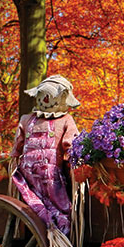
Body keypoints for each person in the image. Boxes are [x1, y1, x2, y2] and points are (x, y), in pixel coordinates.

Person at [11, 75, 79, 235]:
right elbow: (19, 142)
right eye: (42, 95)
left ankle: (57, 225)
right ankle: (48, 221)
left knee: (57, 201)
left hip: (51, 175)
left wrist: (73, 157)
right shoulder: (26, 119)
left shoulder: (65, 120)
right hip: (27, 174)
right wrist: (14, 157)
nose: (45, 100)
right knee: (35, 197)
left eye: (50, 96)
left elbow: (70, 142)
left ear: (63, 99)